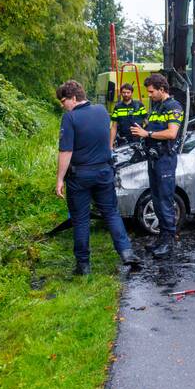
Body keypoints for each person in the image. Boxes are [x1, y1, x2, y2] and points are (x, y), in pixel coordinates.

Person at [55, 80, 140, 275]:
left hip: (80, 176)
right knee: (111, 213)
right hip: (104, 172)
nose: (62, 105)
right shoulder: (102, 111)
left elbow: (66, 151)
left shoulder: (69, 118)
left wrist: (59, 179)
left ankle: (83, 265)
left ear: (74, 98)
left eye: (63, 100)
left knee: (81, 219)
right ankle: (126, 253)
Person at [129, 73, 184, 257]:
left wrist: (147, 134)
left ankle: (169, 242)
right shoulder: (156, 107)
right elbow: (149, 128)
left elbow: (171, 133)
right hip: (154, 159)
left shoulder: (173, 107)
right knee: (157, 200)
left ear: (162, 89)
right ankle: (161, 238)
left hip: (165, 160)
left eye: (152, 92)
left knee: (166, 200)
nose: (149, 95)